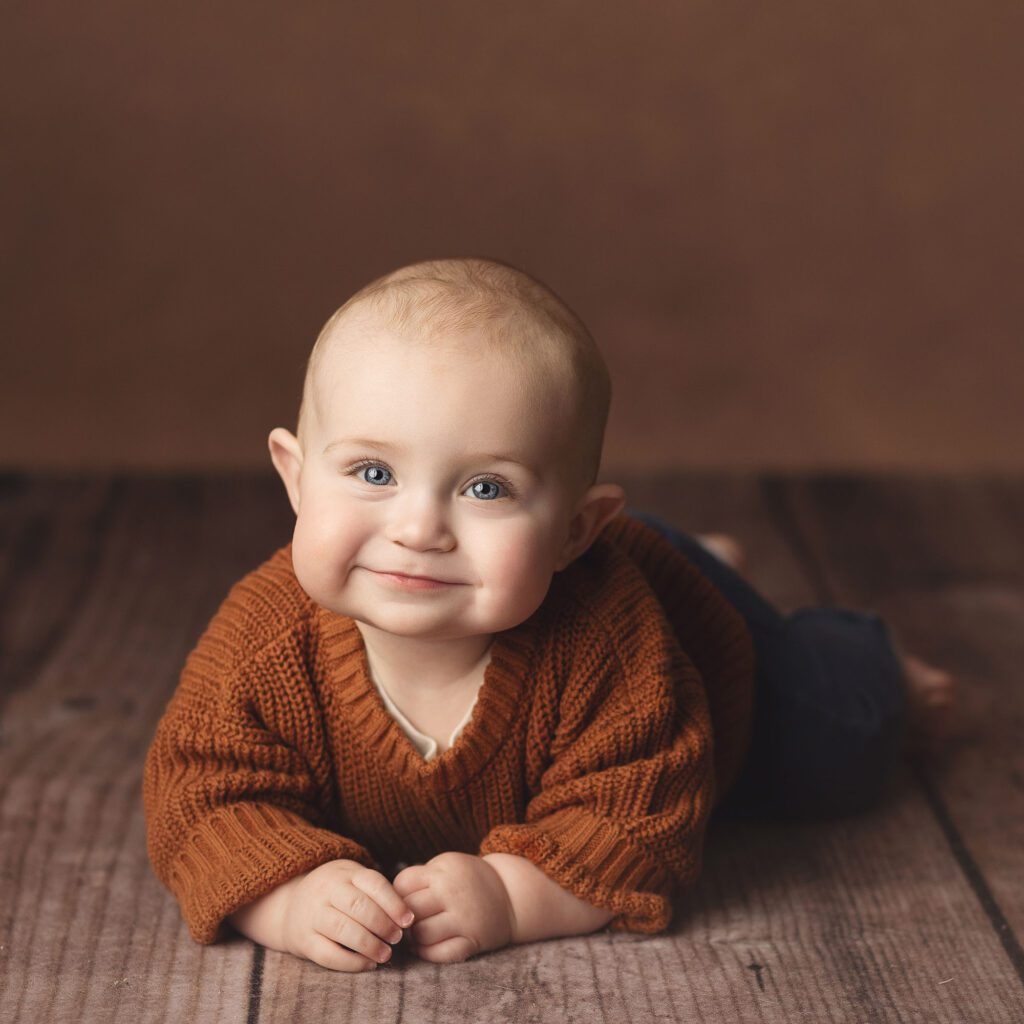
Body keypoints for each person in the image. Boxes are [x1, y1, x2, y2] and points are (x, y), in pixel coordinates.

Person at [142, 257, 954, 973]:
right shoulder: (265, 638)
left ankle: (858, 659)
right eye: (372, 472)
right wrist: (284, 897)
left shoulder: (609, 645)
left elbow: (641, 816)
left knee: (838, 742)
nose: (418, 528)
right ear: (295, 477)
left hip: (705, 646)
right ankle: (689, 548)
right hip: (593, 560)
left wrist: (510, 893)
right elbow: (202, 793)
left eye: (485, 487)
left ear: (574, 530)